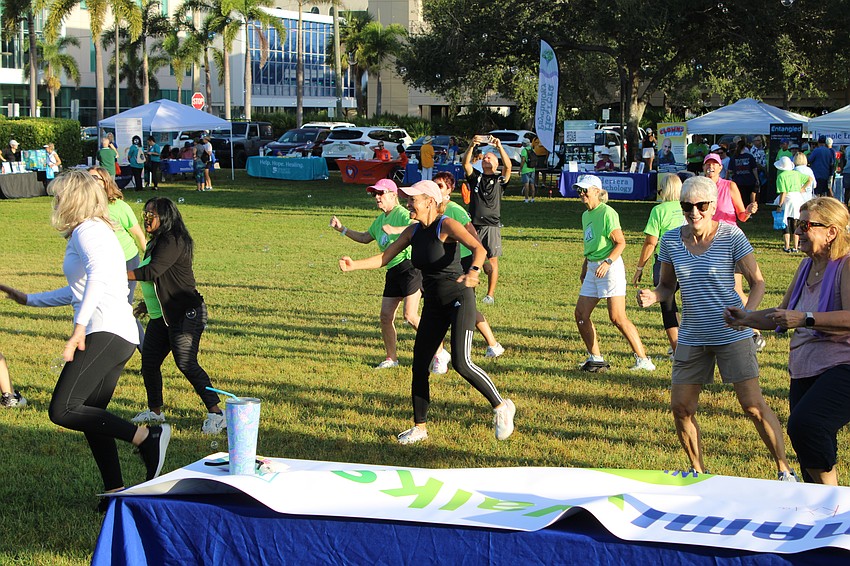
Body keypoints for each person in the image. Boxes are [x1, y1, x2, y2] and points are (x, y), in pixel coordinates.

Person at [0, 170, 171, 508]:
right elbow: (83, 287)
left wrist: (79, 328)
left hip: (105, 330)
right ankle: (114, 492)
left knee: (62, 410)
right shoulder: (95, 230)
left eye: (58, 196)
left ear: (74, 198)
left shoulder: (88, 231)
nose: (56, 202)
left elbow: (95, 278)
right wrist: (30, 299)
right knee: (93, 415)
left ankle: (146, 437)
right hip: (116, 332)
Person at [637, 175, 797, 481]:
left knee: (752, 406)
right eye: (687, 205)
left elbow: (758, 282)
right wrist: (653, 295)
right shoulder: (671, 240)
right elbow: (668, 287)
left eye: (701, 205)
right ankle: (698, 472)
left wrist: (748, 317)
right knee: (681, 408)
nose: (693, 211)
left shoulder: (731, 236)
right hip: (692, 336)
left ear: (713, 206)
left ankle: (784, 470)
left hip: (732, 334)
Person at [339, 180, 515, 445]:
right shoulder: (412, 232)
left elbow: (479, 249)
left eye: (413, 200)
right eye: (408, 200)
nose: (409, 204)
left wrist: (475, 271)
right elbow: (385, 258)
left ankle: (502, 407)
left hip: (459, 298)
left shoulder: (446, 225)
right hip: (433, 304)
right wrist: (355, 266)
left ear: (429, 202)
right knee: (419, 366)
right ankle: (420, 428)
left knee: (461, 362)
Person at [724, 197, 850, 485]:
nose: (798, 231)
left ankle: (832, 498)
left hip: (842, 366)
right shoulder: (806, 267)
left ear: (831, 232)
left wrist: (805, 318)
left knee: (807, 426)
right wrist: (745, 318)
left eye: (806, 225)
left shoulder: (846, 265)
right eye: (796, 224)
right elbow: (782, 315)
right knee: (810, 442)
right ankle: (823, 507)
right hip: (805, 368)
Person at [128, 197, 225, 434]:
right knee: (149, 363)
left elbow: (151, 271)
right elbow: (162, 280)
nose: (146, 218)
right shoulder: (156, 241)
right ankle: (155, 412)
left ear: (166, 217)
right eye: (146, 213)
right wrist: (145, 303)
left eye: (152, 214)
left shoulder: (173, 239)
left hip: (185, 313)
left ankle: (217, 414)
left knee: (186, 363)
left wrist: (114, 273)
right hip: (162, 315)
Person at [329, 178, 422, 369]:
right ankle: (392, 358)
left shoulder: (402, 214)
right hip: (392, 270)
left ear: (393, 195)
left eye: (381, 193)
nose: (377, 197)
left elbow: (418, 227)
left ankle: (439, 352)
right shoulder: (381, 219)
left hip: (410, 268)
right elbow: (365, 237)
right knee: (386, 317)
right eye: (375, 194)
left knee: (410, 316)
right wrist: (342, 229)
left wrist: (396, 229)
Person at [574, 175, 655, 372]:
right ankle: (596, 358)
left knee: (617, 317)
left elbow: (621, 243)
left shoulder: (607, 213)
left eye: (585, 190)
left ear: (596, 192)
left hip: (610, 268)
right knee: (581, 314)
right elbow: (591, 244)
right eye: (579, 190)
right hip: (594, 267)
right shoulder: (586, 215)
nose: (581, 194)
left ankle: (643, 360)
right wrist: (586, 266)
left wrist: (608, 262)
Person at [703, 152, 764, 350]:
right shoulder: (700, 187)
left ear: (721, 168)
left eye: (714, 164)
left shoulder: (729, 186)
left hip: (729, 240)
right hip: (707, 241)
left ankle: (754, 328)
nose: (710, 168)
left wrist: (748, 211)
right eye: (707, 164)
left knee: (736, 288)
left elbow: (741, 215)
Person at [89, 166, 147, 346]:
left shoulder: (119, 206)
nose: (90, 182)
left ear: (105, 182)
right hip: (102, 263)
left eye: (95, 178)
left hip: (127, 261)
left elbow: (138, 234)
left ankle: (146, 353)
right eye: (87, 178)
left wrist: (149, 262)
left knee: (124, 308)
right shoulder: (86, 207)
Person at [633, 173, 685, 355]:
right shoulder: (687, 208)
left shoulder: (659, 210)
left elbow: (650, 242)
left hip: (666, 262)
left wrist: (640, 267)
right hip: (689, 260)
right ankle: (687, 345)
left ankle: (678, 349)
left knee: (668, 306)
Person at [462, 135, 512, 305]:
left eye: (490, 157)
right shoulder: (476, 177)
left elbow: (508, 166)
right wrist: (472, 145)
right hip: (474, 225)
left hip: (491, 225)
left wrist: (499, 147)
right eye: (484, 157)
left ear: (496, 163)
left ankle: (490, 294)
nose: (486, 158)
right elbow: (466, 164)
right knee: (472, 259)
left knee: (492, 260)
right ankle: (471, 293)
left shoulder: (499, 180)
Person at [775, 156, 810, 253]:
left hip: (787, 199)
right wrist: (803, 188)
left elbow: (783, 192)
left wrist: (779, 205)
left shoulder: (781, 176)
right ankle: (795, 246)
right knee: (795, 222)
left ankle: (786, 246)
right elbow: (809, 179)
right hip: (798, 198)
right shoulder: (796, 174)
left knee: (785, 222)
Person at [728, 139, 760, 204]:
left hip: (738, 181)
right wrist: (757, 179)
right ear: (745, 147)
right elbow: (754, 169)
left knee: (740, 198)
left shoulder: (734, 157)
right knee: (749, 198)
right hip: (749, 180)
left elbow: (730, 171)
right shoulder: (750, 157)